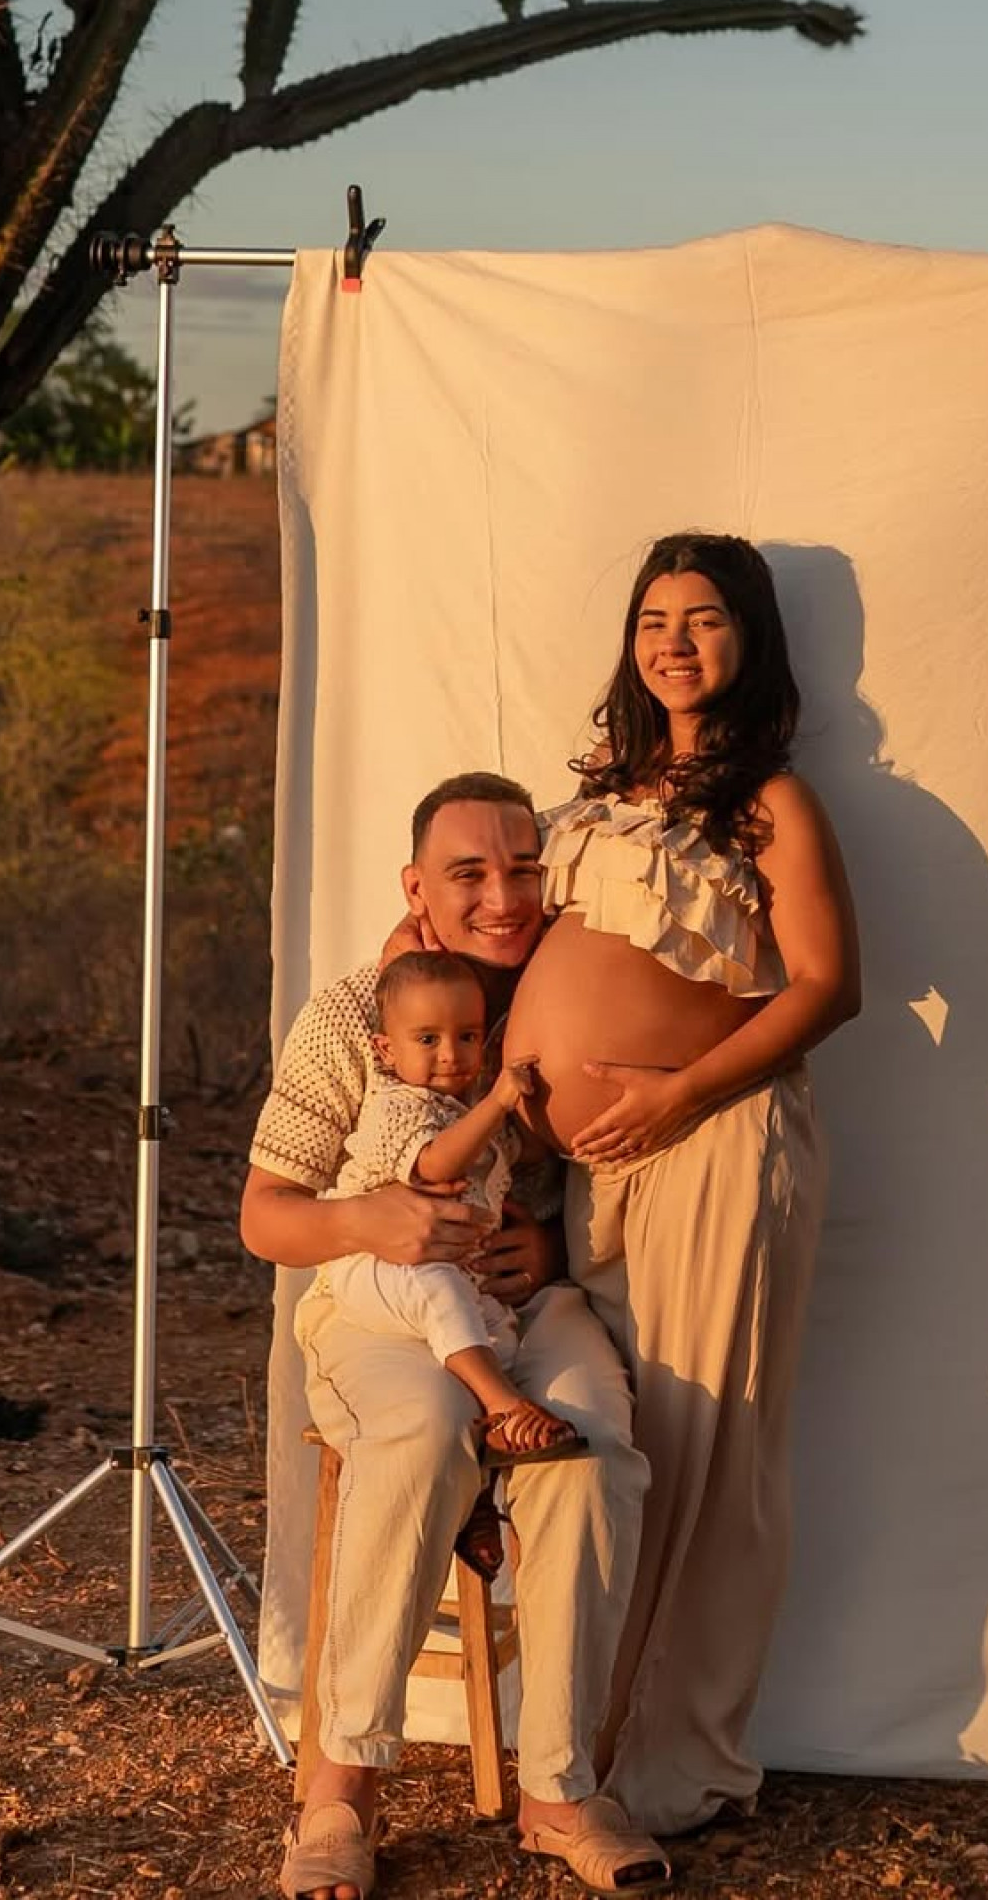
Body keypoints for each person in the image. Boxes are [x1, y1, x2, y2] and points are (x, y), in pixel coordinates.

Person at [242, 773, 668, 1900]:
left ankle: (561, 1789)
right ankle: (340, 1788)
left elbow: (614, 1181)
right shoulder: (355, 1012)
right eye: (468, 872)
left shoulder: (575, 1003)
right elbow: (264, 1216)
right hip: (383, 1300)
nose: (502, 895)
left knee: (591, 1447)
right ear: (415, 887)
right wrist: (367, 1217)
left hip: (522, 1303)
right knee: (426, 1428)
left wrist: (553, 1249)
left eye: (524, 868)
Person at [503, 534, 862, 1836]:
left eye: (703, 618)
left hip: (717, 1138)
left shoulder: (772, 800)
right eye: (654, 618)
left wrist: (681, 1092)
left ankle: (678, 1760)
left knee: (712, 1447)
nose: (674, 641)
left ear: (748, 637)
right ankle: (580, 1746)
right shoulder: (601, 790)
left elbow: (830, 985)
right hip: (598, 1171)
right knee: (626, 1439)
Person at [314, 949, 583, 1463]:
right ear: (386, 1050)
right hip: (376, 1267)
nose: (450, 1055)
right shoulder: (397, 1105)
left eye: (467, 1037)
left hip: (454, 1273)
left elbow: (519, 1152)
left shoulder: (466, 1110)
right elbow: (436, 1165)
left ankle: (489, 1452)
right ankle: (504, 1406)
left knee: (497, 1334)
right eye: (428, 1040)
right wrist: (500, 1101)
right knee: (439, 1291)